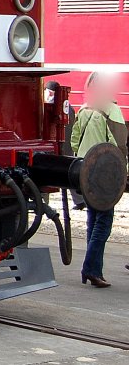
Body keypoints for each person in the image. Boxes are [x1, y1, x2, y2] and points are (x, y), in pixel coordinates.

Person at [71, 71, 127, 288]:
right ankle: (92, 269)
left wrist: (86, 159)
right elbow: (119, 145)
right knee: (103, 223)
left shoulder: (83, 110)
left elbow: (74, 141)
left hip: (84, 171)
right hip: (104, 175)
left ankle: (93, 269)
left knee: (93, 221)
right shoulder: (111, 110)